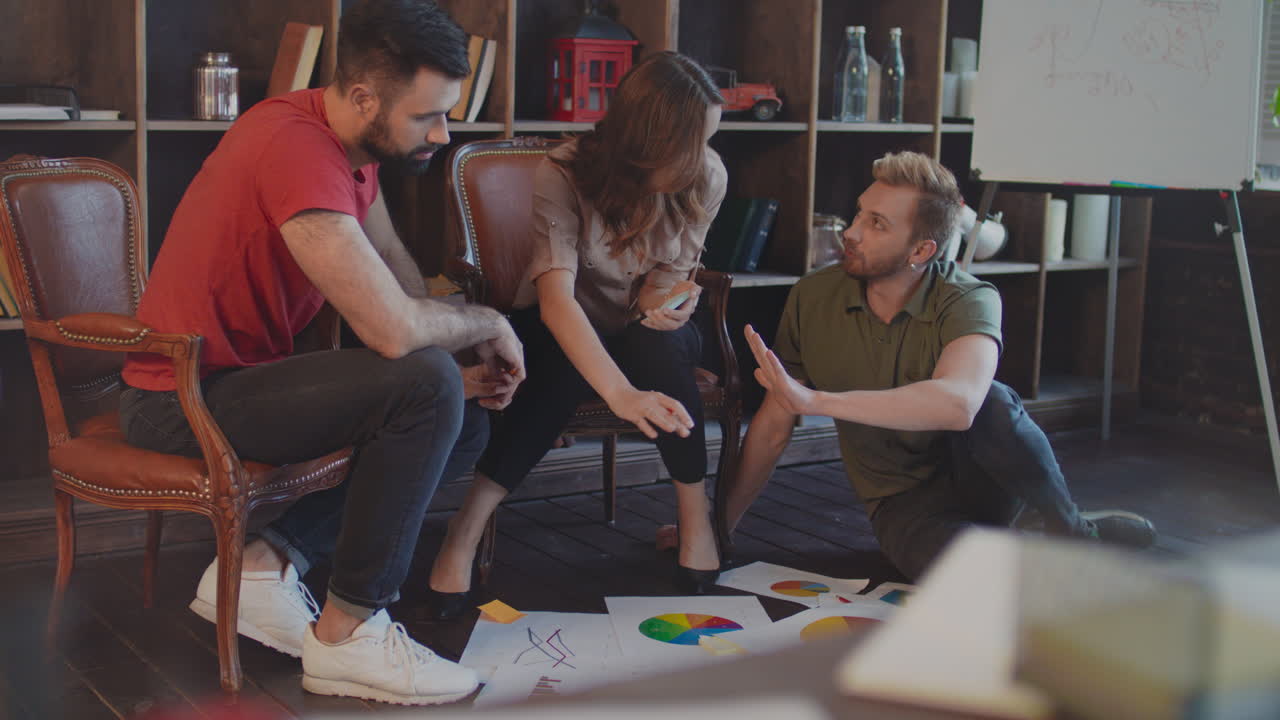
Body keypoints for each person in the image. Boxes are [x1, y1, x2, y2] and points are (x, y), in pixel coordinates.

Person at [117, 0, 524, 706]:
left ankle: (261, 563)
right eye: (427, 115)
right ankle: (349, 636)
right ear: (364, 96)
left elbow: (391, 261)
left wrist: (459, 340)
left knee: (461, 412)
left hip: (240, 382)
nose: (444, 131)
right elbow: (392, 332)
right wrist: (483, 320)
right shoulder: (294, 147)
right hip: (177, 399)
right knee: (427, 382)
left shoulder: (348, 145)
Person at [725, 151, 1157, 582]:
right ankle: (1033, 544)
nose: (851, 233)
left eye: (877, 224)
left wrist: (818, 401)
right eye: (859, 214)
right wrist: (718, 527)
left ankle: (1075, 533)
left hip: (981, 480)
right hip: (901, 502)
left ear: (922, 249)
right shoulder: (812, 296)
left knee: (993, 400)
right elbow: (773, 426)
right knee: (978, 583)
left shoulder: (969, 297)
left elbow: (960, 405)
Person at [426, 51, 728, 613]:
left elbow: (672, 276)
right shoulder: (562, 171)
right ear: (648, 138)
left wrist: (671, 305)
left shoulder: (707, 174)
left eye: (709, 141)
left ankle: (695, 520)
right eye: (691, 144)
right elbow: (556, 299)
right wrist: (619, 391)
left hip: (641, 328)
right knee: (558, 368)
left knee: (658, 345)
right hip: (558, 318)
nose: (701, 160)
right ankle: (463, 531)